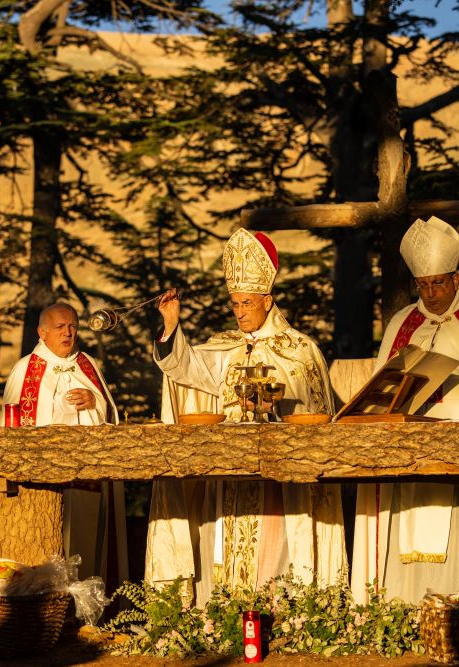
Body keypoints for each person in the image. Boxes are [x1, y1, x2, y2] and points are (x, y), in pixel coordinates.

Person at [146, 228, 345, 607]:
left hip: (282, 474)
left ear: (267, 300)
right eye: (234, 304)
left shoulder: (301, 350)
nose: (239, 312)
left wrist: (280, 409)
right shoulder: (227, 347)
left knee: (277, 543)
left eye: (247, 303)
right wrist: (172, 325)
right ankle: (229, 615)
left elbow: (315, 409)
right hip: (232, 473)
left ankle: (289, 613)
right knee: (231, 543)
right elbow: (184, 366)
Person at [350, 216, 459, 605]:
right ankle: (402, 607)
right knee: (408, 520)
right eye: (423, 285)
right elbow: (383, 393)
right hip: (412, 445)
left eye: (439, 283)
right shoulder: (403, 324)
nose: (430, 294)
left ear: (456, 279)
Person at [1, 303, 127, 585]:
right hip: (46, 490)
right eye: (60, 327)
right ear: (42, 332)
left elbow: (110, 417)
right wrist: (63, 409)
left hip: (88, 482)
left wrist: (95, 402)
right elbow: (15, 434)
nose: (68, 333)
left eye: (73, 327)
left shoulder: (88, 364)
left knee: (88, 553)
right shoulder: (25, 370)